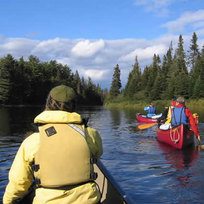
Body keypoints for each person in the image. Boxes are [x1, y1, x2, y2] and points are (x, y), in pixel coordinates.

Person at [3, 85, 103, 204]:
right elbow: (97, 153)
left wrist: (7, 201)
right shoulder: (91, 134)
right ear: (74, 106)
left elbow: (19, 182)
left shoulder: (33, 139)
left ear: (48, 103)